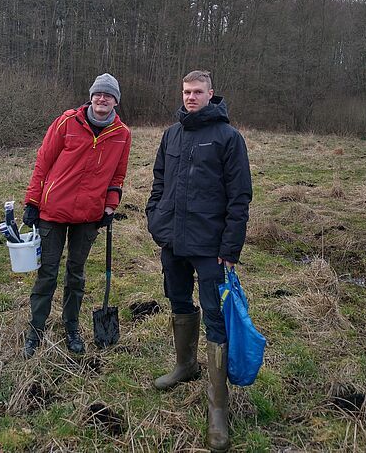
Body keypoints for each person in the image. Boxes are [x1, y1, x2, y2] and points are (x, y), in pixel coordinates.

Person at [146, 70, 252, 453]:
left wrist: (230, 247)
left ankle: (218, 407)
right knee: (177, 301)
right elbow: (159, 180)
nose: (191, 97)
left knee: (216, 317)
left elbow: (240, 197)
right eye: (186, 92)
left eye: (198, 92)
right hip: (173, 241)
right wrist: (154, 218)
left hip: (210, 247)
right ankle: (185, 366)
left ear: (211, 94)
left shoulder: (228, 138)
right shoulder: (171, 134)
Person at [22, 73, 131, 358]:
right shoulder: (67, 122)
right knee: (47, 273)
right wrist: (33, 201)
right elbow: (43, 162)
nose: (102, 99)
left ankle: (71, 327)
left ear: (115, 101)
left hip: (89, 215)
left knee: (76, 274)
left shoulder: (122, 134)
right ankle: (35, 330)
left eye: (108, 95)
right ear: (91, 96)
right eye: (98, 94)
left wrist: (111, 206)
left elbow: (118, 175)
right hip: (53, 211)